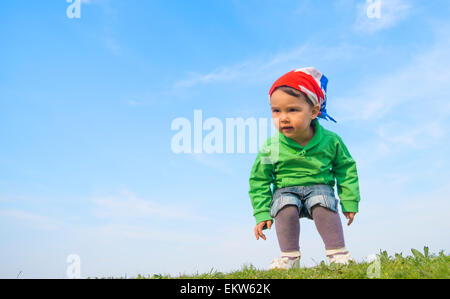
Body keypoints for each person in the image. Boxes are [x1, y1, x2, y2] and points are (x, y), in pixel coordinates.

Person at [248, 67, 361, 270]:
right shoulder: (270, 147)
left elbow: (345, 168)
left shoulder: (331, 141)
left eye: (292, 110)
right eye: (276, 111)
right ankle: (290, 256)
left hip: (320, 186)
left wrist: (350, 199)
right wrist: (262, 213)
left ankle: (338, 253)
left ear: (314, 111)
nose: (283, 117)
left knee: (322, 202)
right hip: (286, 189)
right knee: (284, 205)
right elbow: (259, 180)